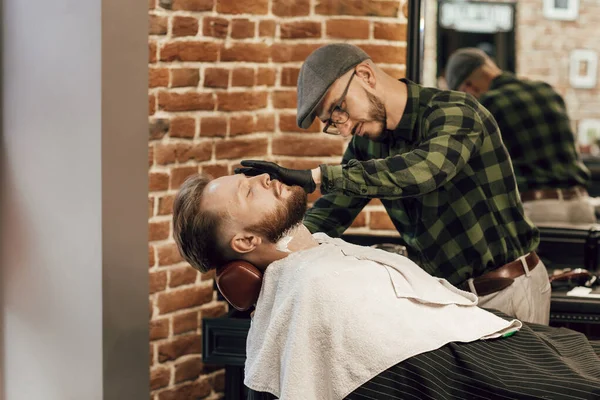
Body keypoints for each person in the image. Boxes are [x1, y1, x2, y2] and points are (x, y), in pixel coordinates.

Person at [172, 172, 600, 400]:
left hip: (513, 343)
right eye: (249, 192)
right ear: (246, 242)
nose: (265, 178)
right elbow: (431, 373)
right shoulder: (314, 286)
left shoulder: (319, 255)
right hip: (503, 368)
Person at [235, 43, 550, 324]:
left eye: (338, 110)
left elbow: (424, 171)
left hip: (508, 290)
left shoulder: (457, 112)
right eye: (331, 122)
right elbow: (330, 215)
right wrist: (270, 261)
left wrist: (315, 176)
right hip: (446, 297)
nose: (342, 129)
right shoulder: (367, 143)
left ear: (366, 75)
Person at [445, 47, 596, 227]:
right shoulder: (547, 91)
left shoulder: (488, 105)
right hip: (582, 206)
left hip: (539, 211)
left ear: (469, 86)